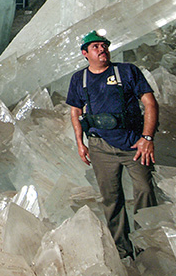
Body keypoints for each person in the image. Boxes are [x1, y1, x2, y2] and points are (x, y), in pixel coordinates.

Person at [66, 30, 158, 259]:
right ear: (85, 53)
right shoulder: (79, 79)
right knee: (111, 199)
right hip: (100, 147)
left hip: (133, 144)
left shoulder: (127, 71)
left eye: (103, 45)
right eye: (95, 46)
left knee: (145, 190)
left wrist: (147, 138)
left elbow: (149, 103)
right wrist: (80, 142)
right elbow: (75, 111)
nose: (101, 49)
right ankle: (123, 251)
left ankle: (147, 248)